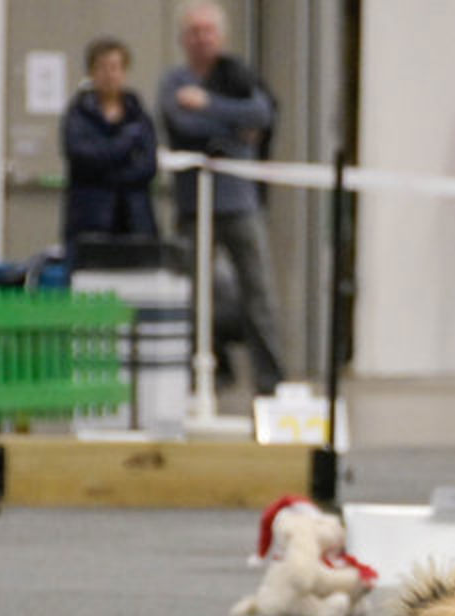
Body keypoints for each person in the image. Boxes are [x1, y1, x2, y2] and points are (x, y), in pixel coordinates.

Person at [159, 0, 284, 395]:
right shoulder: (174, 81)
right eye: (194, 31)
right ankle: (197, 377)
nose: (202, 38)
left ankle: (271, 380)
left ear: (222, 36)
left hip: (241, 203)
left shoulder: (237, 73)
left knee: (259, 292)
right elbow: (182, 122)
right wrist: (234, 126)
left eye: (208, 31)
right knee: (191, 293)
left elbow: (262, 114)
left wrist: (209, 106)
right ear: (183, 38)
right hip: (194, 205)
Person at [62, 37, 159, 264]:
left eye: (115, 67)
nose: (109, 74)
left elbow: (148, 167)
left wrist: (108, 170)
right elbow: (82, 158)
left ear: (124, 72)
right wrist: (124, 146)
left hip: (135, 218)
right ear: (91, 72)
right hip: (90, 219)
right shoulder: (77, 115)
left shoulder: (139, 116)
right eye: (102, 68)